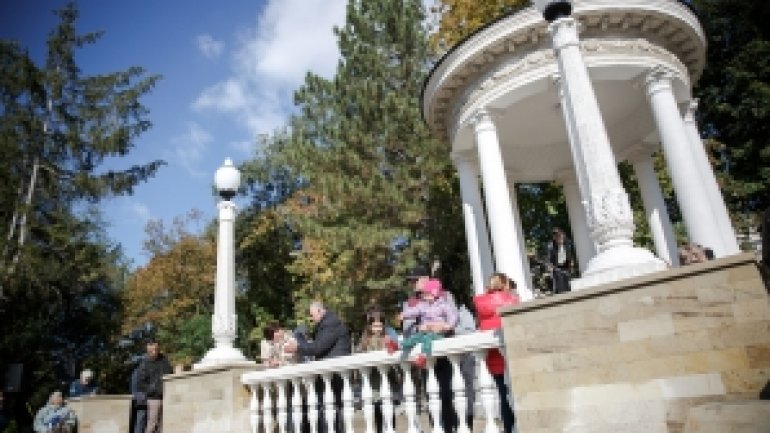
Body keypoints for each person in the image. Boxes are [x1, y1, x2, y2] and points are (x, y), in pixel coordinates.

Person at [392, 279, 458, 433]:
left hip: (437, 334)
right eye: (423, 294)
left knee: (427, 341)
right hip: (423, 331)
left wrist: (447, 325)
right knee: (415, 339)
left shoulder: (443, 305)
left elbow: (453, 316)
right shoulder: (422, 305)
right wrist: (404, 315)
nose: (424, 296)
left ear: (434, 294)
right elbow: (414, 311)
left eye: (427, 294)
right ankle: (399, 345)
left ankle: (424, 356)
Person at [285, 301, 351, 433]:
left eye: (312, 315)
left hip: (333, 374)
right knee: (328, 411)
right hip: (329, 374)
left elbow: (317, 348)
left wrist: (297, 346)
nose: (311, 318)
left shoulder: (331, 324)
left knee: (331, 411)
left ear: (320, 311)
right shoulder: (326, 324)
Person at [473, 273, 520, 433]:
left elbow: (480, 324)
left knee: (502, 395)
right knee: (514, 395)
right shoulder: (510, 299)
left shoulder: (481, 302)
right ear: (504, 284)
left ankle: (508, 428)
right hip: (510, 356)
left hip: (492, 358)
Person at [136, 341, 173, 433]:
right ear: (148, 351)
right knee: (152, 424)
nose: (155, 351)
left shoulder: (164, 360)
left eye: (156, 349)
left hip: (166, 395)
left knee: (163, 424)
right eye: (152, 350)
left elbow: (170, 373)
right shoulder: (145, 363)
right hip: (153, 398)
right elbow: (140, 383)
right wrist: (152, 391)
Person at [546, 228, 574, 294]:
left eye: (560, 236)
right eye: (556, 237)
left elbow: (570, 255)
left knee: (567, 284)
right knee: (560, 284)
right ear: (554, 238)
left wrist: (571, 264)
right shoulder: (551, 246)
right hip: (557, 268)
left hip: (566, 267)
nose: (559, 239)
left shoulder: (567, 244)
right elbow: (549, 258)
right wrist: (550, 266)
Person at [130, 360, 147, 433]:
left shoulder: (134, 372)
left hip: (135, 398)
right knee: (141, 420)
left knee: (136, 420)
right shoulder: (141, 373)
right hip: (141, 400)